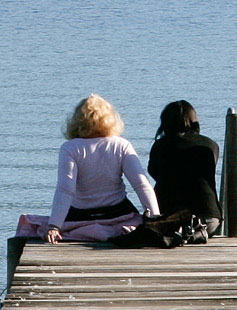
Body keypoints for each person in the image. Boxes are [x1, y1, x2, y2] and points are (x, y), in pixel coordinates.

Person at [45, 94, 157, 241]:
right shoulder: (121, 145)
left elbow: (65, 189)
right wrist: (156, 218)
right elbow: (141, 184)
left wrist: (55, 225)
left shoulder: (70, 148)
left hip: (80, 216)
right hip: (119, 215)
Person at [148, 100, 222, 225]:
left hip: (169, 216)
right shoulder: (211, 145)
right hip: (210, 218)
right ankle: (195, 233)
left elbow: (154, 172)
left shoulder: (160, 146)